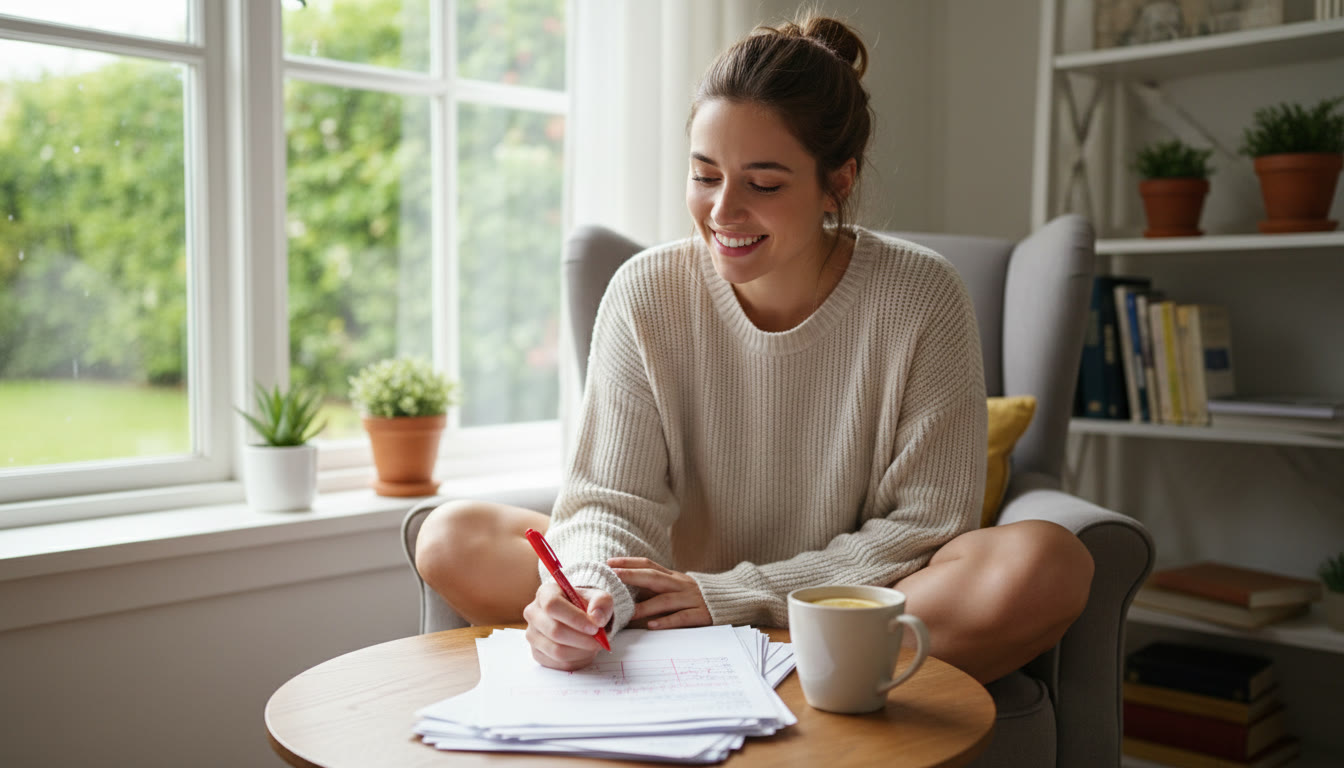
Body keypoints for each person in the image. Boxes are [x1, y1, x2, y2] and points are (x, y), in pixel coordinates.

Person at [415, 14, 1093, 684]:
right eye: (705, 175)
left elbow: (924, 526)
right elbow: (610, 500)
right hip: (670, 601)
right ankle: (780, 674)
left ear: (839, 181)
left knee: (1049, 564)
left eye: (763, 183)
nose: (722, 211)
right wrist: (588, 593)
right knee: (451, 537)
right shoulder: (644, 292)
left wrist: (735, 595)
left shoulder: (921, 295)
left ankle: (754, 666)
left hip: (836, 606)